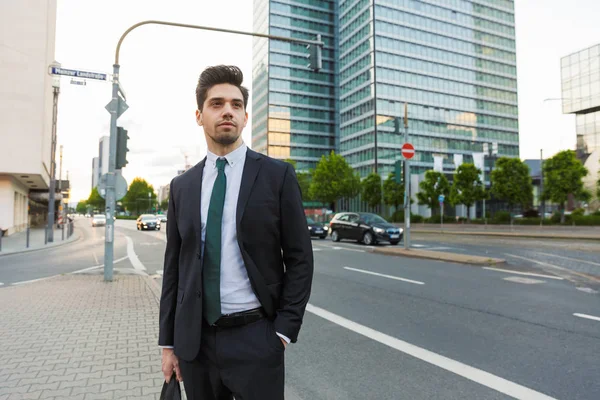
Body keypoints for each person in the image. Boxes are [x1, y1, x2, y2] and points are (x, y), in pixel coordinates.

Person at [159, 65, 314, 400]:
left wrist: (283, 332)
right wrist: (169, 344)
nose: (227, 110)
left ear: (245, 117)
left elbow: (301, 259)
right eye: (216, 104)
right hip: (195, 344)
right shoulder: (182, 187)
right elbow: (174, 269)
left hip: (257, 338)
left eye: (236, 104)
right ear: (199, 116)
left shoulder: (277, 176)